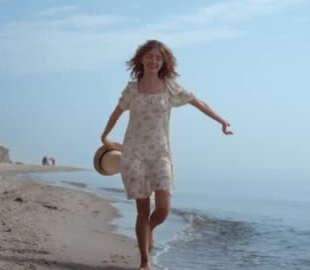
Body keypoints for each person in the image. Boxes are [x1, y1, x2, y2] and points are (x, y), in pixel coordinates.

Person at [100, 40, 233, 270]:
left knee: (163, 209)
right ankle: (144, 261)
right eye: (150, 56)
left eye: (158, 58)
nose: (154, 61)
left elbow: (197, 102)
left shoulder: (170, 87)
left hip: (160, 153)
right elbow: (117, 112)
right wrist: (105, 136)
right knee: (142, 210)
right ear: (142, 59)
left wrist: (221, 121)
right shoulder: (132, 88)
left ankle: (149, 229)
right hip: (134, 154)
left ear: (164, 62)